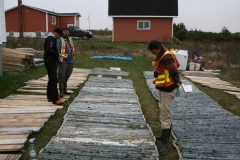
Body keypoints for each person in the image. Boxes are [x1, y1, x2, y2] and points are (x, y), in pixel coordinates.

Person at [148, 39, 182, 155]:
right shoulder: (160, 56)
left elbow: (174, 72)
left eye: (153, 51)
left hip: (169, 89)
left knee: (165, 114)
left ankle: (165, 144)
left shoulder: (166, 57)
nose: (153, 53)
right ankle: (164, 137)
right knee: (164, 112)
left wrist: (178, 82)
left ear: (158, 47)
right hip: (163, 88)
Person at [44, 28, 64, 105]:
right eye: (59, 35)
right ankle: (55, 99)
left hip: (50, 61)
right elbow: (49, 50)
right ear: (55, 33)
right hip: (50, 61)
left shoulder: (51, 39)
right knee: (54, 80)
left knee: (51, 79)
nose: (59, 37)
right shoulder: (51, 39)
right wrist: (57, 54)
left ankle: (49, 96)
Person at [57, 27, 75, 98]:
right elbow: (58, 50)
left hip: (70, 60)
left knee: (67, 75)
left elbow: (72, 48)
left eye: (67, 31)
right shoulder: (59, 40)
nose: (66, 33)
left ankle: (65, 90)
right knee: (61, 75)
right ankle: (61, 92)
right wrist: (59, 59)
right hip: (63, 60)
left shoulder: (70, 39)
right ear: (62, 32)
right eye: (65, 31)